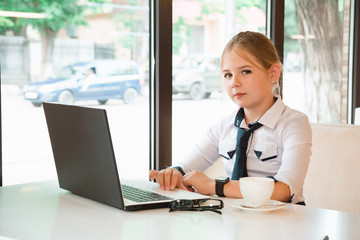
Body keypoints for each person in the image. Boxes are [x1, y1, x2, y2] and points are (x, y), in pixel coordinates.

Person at [149, 31, 312, 204]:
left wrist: (214, 186)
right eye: (228, 75)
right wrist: (171, 175)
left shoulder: (294, 123)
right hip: (235, 220)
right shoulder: (223, 127)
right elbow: (185, 168)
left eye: (246, 71)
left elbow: (284, 190)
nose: (234, 82)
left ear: (273, 73)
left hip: (284, 222)